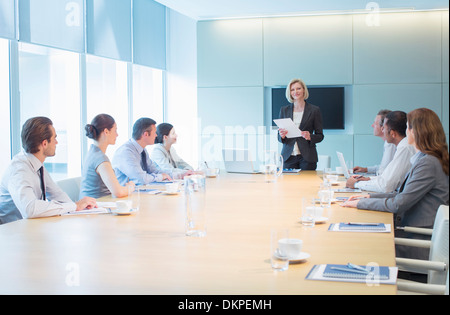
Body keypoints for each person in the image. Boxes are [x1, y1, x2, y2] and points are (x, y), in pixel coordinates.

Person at [343, 108, 449, 260]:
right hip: (411, 234)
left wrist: (361, 204)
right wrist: (366, 197)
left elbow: (398, 204)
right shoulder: (424, 159)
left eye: (407, 127)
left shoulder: (428, 163)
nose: (405, 132)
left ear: (417, 131)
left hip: (414, 243)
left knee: (359, 249)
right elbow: (399, 193)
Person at [0, 117, 97, 224]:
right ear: (44, 143)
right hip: (11, 232)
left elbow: (56, 194)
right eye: (54, 138)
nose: (57, 142)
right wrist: (74, 206)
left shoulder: (37, 164)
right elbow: (30, 209)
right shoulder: (19, 170)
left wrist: (78, 207)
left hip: (30, 227)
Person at [346, 111, 416, 193]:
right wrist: (367, 179)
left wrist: (356, 184)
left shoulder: (405, 148)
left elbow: (386, 186)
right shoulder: (403, 146)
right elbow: (386, 178)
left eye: (384, 128)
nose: (382, 130)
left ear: (393, 133)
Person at [80, 114, 134, 199]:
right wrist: (130, 187)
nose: (117, 134)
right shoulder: (100, 159)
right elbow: (118, 192)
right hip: (96, 206)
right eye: (115, 130)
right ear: (106, 132)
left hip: (97, 203)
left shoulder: (93, 152)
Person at [277, 78, 324, 170]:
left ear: (303, 90)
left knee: (307, 184)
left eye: (298, 88)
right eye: (292, 89)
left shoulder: (314, 110)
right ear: (289, 92)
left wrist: (309, 136)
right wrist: (281, 135)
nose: (295, 91)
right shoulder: (284, 110)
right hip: (288, 157)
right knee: (288, 184)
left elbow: (320, 136)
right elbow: (279, 137)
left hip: (307, 157)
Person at [112, 117, 172, 186]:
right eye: (155, 132)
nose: (156, 135)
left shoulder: (142, 150)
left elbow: (154, 171)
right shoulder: (126, 152)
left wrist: (178, 175)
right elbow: (141, 179)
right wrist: (161, 177)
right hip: (127, 195)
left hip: (140, 192)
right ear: (146, 134)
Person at [353, 109, 396, 176]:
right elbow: (383, 167)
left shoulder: (391, 145)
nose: (372, 125)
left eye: (375, 123)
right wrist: (365, 169)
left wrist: (365, 179)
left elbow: (383, 172)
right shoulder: (388, 143)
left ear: (383, 127)